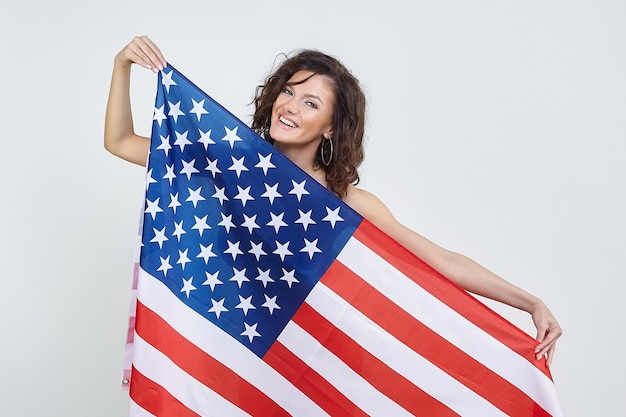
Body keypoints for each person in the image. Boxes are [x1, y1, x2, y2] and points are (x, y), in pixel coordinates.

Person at [105, 36, 562, 366]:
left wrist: (529, 302)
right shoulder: (229, 165)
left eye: (310, 103)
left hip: (304, 363)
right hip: (228, 351)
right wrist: (121, 65)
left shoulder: (347, 202)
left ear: (330, 126)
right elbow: (121, 142)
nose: (290, 106)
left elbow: (440, 260)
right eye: (288, 91)